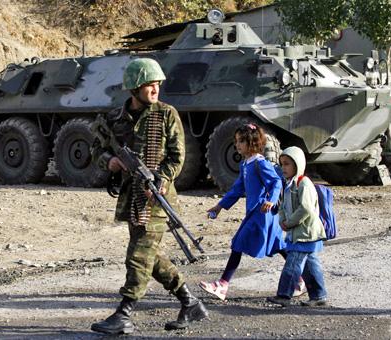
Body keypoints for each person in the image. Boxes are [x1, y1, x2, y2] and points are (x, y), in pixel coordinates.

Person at [89, 58, 208, 335]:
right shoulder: (113, 119)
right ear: (134, 87)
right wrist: (110, 161)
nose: (155, 88)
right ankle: (189, 302)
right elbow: (96, 149)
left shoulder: (166, 114)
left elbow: (178, 158)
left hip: (156, 198)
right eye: (149, 84)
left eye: (157, 84)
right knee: (149, 256)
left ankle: (124, 313)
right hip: (132, 198)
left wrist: (161, 178)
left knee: (138, 254)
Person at [199, 123, 285, 300]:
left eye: (241, 141)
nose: (237, 145)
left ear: (252, 142)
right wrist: (220, 206)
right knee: (279, 247)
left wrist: (271, 200)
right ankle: (302, 279)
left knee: (238, 244)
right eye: (236, 141)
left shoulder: (260, 163)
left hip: (262, 213)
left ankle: (222, 285)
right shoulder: (246, 164)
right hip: (255, 213)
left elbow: (276, 182)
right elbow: (237, 189)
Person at [267, 146, 328, 307]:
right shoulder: (288, 184)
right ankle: (319, 296)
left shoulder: (304, 183)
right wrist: (282, 220)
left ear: (297, 164)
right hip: (299, 232)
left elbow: (306, 208)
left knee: (292, 264)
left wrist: (290, 222)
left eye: (287, 164)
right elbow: (282, 206)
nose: (283, 168)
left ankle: (284, 295)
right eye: (282, 164)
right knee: (310, 265)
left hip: (306, 233)